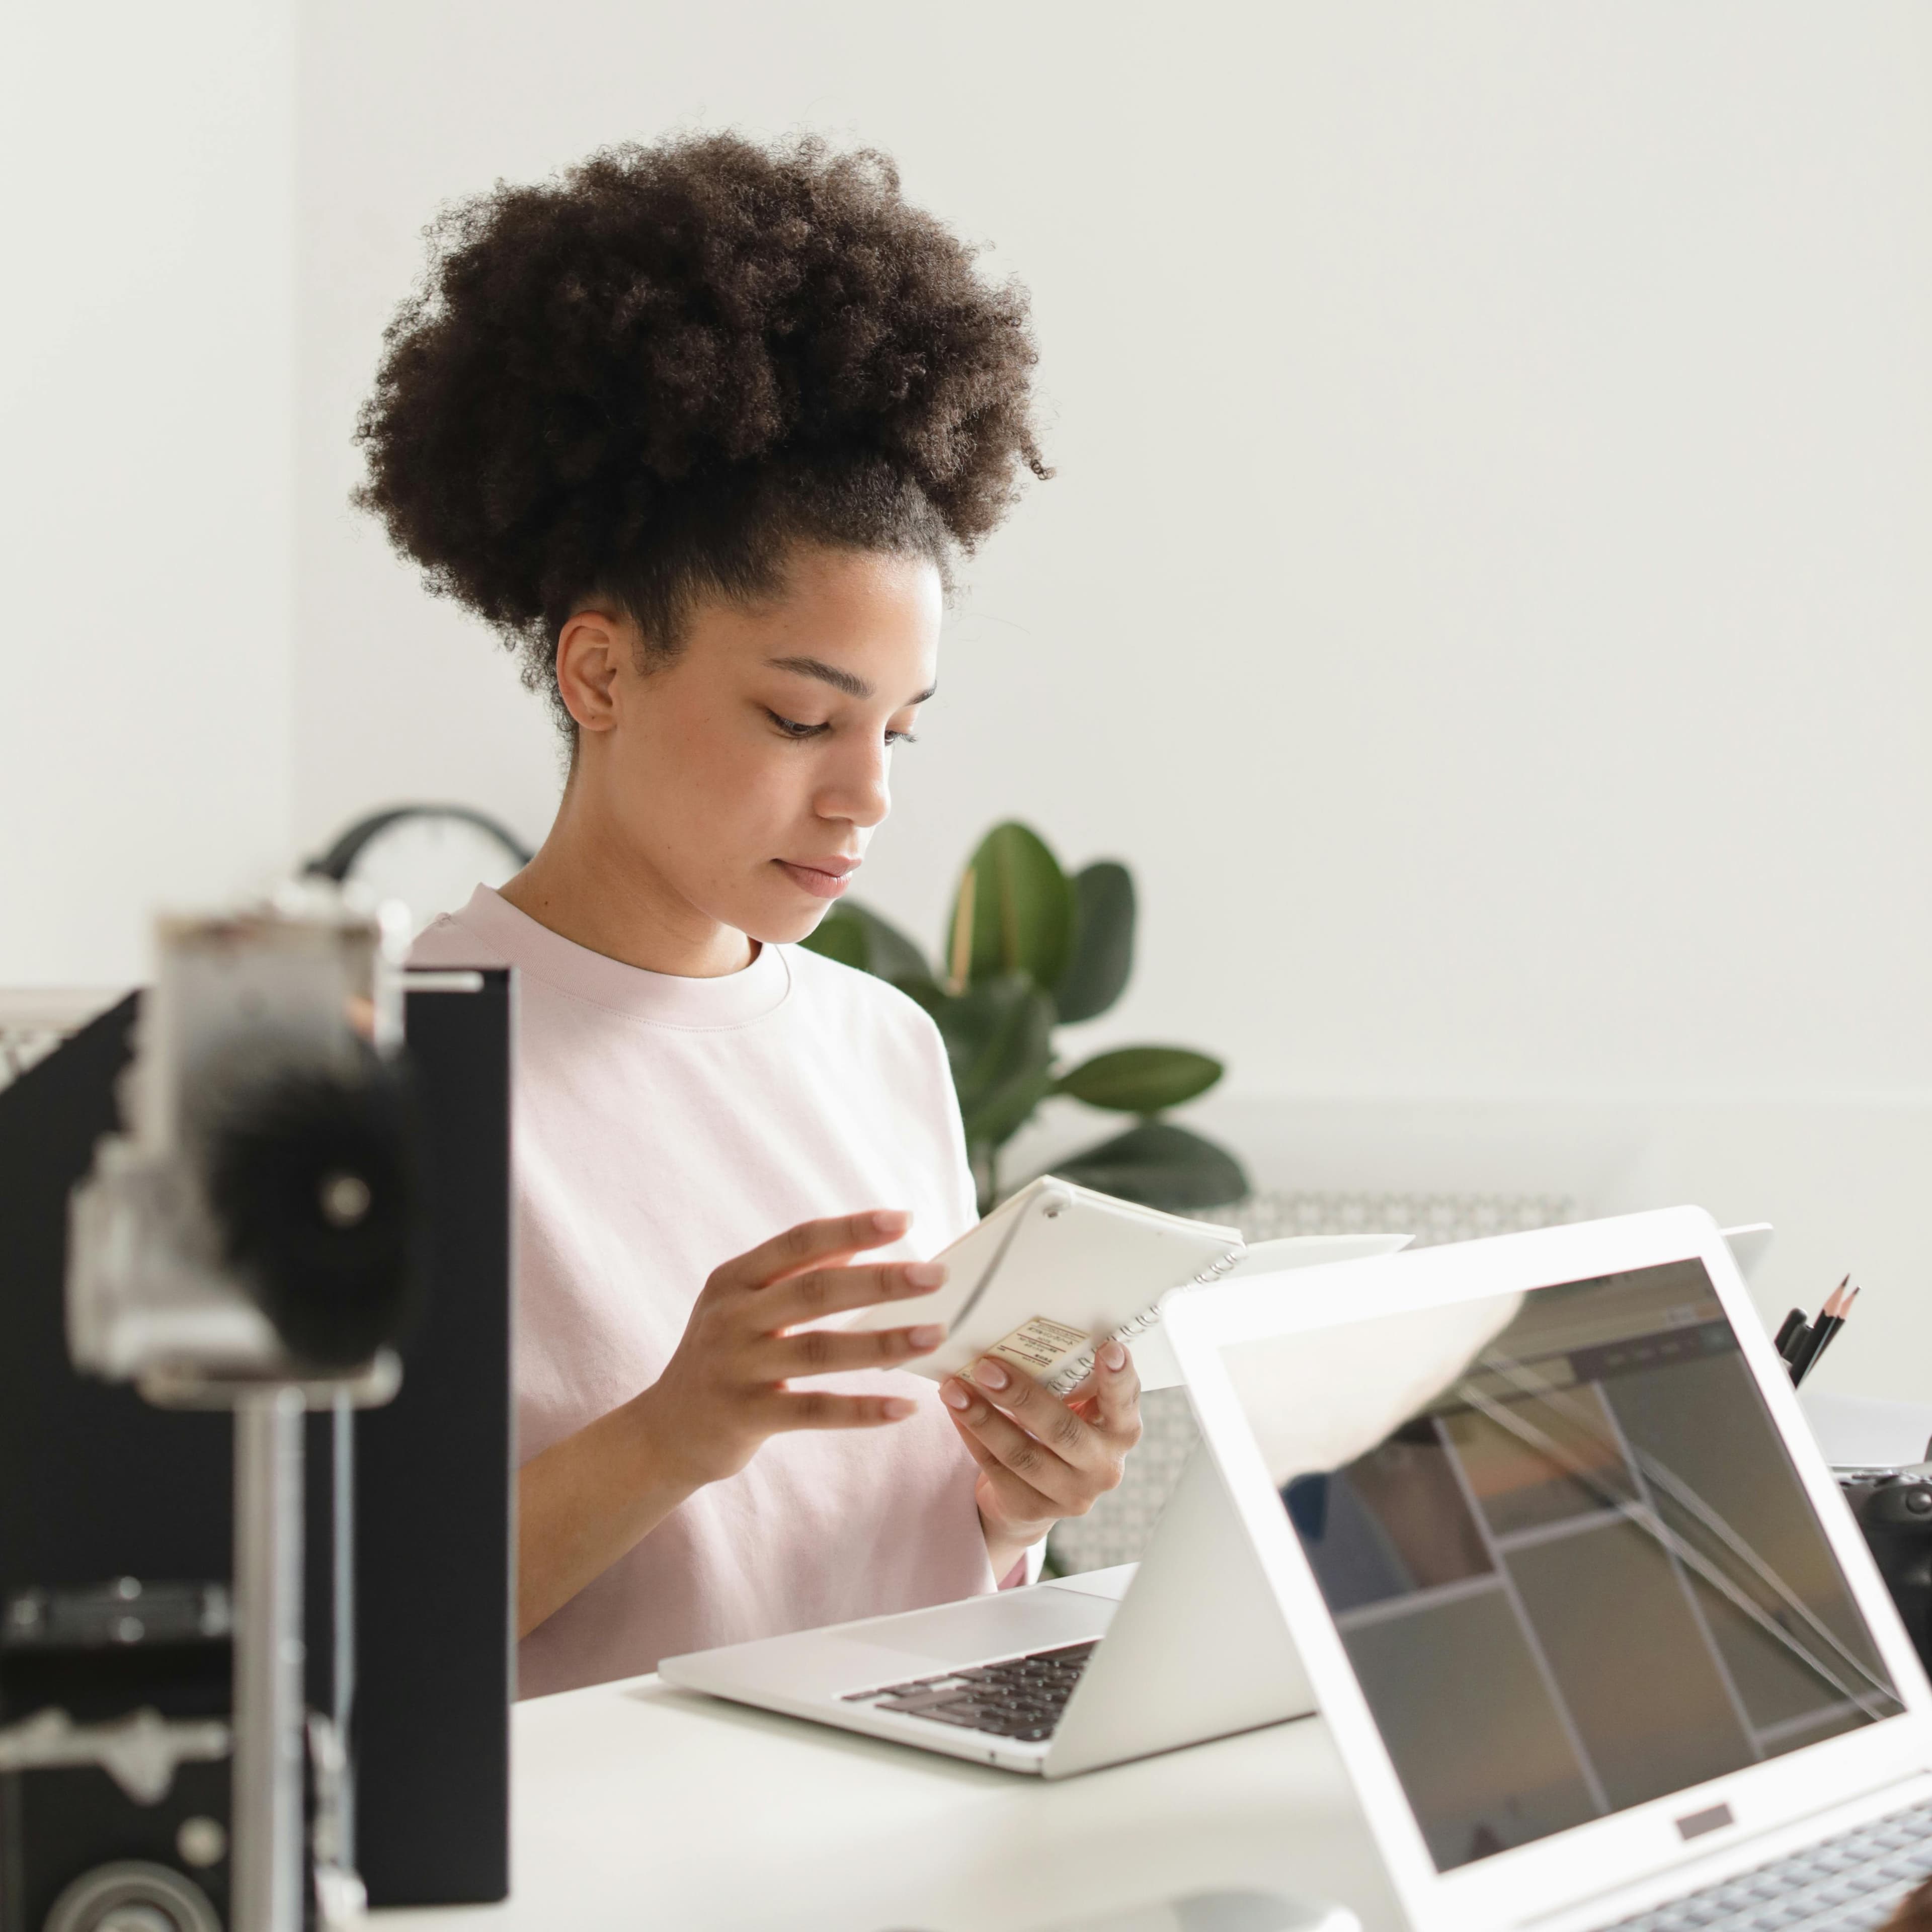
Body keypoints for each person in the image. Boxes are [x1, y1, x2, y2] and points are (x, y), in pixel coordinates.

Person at [356, 133, 1142, 1697]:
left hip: (910, 1804)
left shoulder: (886, 1048)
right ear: (600, 672)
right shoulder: (394, 1067)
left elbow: (887, 1553)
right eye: (801, 720)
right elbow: (349, 1632)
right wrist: (672, 1433)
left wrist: (1016, 1496)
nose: (868, 797)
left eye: (898, 730)